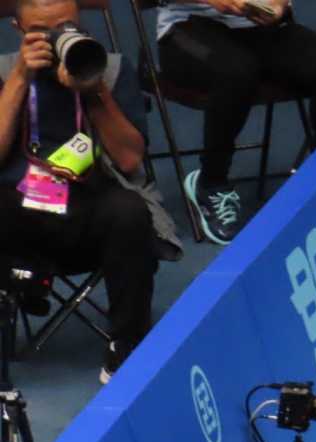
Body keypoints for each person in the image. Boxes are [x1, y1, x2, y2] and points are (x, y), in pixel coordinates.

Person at [0, 0, 181, 384]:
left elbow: (129, 160)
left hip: (89, 210)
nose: (56, 37)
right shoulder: (4, 71)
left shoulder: (109, 68)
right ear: (18, 29)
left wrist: (93, 91)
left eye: (66, 25)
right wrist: (18, 80)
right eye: (42, 32)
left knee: (130, 211)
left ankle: (127, 345)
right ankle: (27, 281)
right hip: (18, 216)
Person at [155, 0, 316, 244]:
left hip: (258, 30)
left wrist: (278, 6)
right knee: (237, 71)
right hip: (186, 30)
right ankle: (211, 183)